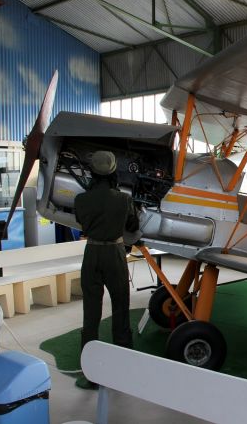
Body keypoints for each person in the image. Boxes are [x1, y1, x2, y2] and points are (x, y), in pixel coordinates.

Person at [73, 151, 139, 389]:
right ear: (113, 172)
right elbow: (133, 225)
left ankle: (91, 374)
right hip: (115, 253)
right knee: (120, 310)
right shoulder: (124, 200)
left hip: (91, 254)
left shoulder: (81, 200)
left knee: (91, 315)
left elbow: (82, 223)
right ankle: (123, 372)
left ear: (92, 171)